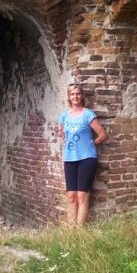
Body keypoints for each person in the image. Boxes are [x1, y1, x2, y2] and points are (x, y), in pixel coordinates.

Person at [57, 84, 107, 225]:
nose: (75, 96)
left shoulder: (87, 114)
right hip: (69, 158)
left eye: (78, 94)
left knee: (82, 196)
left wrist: (92, 143)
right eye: (72, 94)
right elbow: (62, 134)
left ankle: (79, 232)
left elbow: (103, 135)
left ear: (82, 96)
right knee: (71, 196)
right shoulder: (64, 116)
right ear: (69, 97)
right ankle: (71, 231)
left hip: (87, 158)